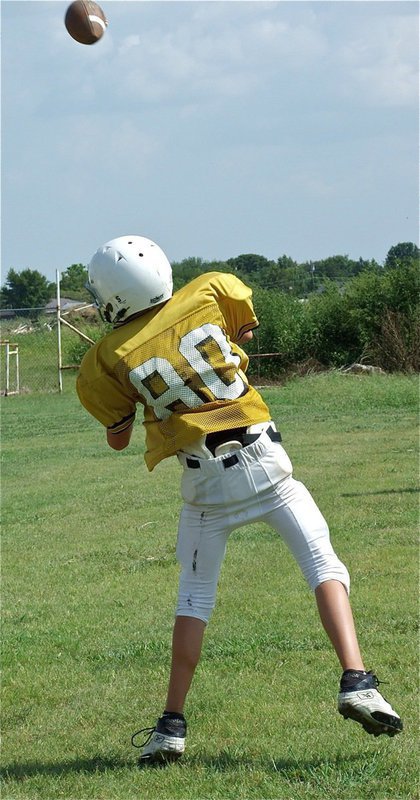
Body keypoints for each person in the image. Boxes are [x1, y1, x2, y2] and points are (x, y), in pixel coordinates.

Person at [76, 234, 403, 765]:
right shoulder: (211, 289)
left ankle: (172, 726)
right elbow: (243, 332)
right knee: (324, 563)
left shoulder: (105, 358)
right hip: (266, 461)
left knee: (193, 599)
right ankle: (357, 679)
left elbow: (117, 436)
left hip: (204, 486)